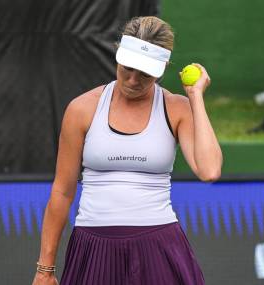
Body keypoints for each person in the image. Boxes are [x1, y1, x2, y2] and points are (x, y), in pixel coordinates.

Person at [32, 16, 222, 285]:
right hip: (92, 247)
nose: (133, 80)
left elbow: (210, 170)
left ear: (163, 68)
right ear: (118, 56)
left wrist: (195, 97)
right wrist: (45, 269)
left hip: (159, 245)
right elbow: (63, 191)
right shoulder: (82, 109)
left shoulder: (176, 108)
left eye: (145, 73)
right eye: (127, 68)